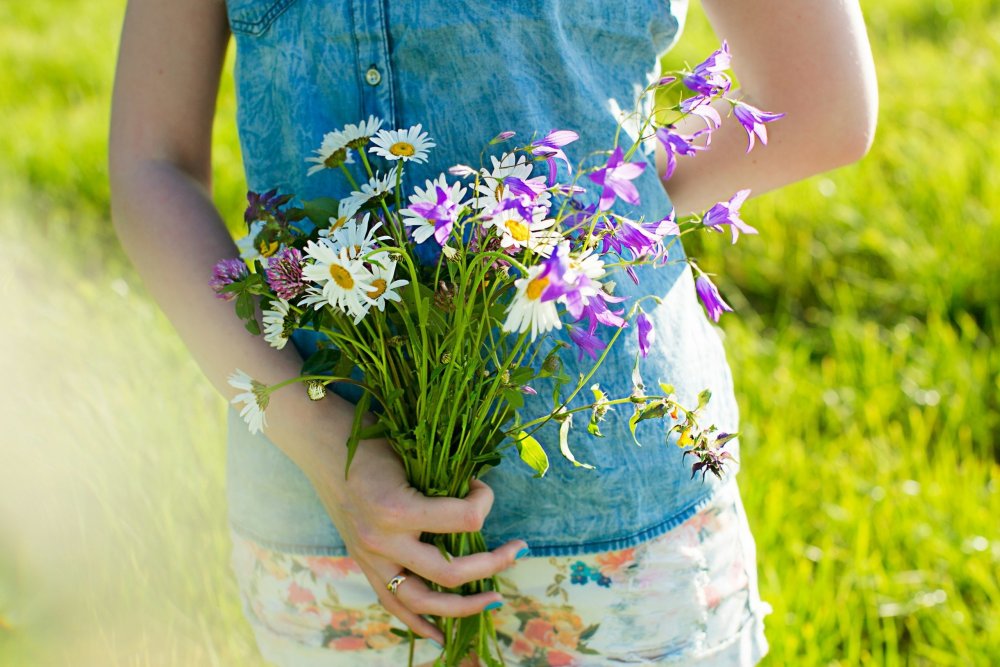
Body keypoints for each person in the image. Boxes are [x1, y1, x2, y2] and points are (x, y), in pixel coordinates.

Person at [109, 0, 877, 665]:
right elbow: (151, 166)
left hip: (615, 511)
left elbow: (823, 105)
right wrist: (322, 445)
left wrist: (594, 221)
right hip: (322, 515)